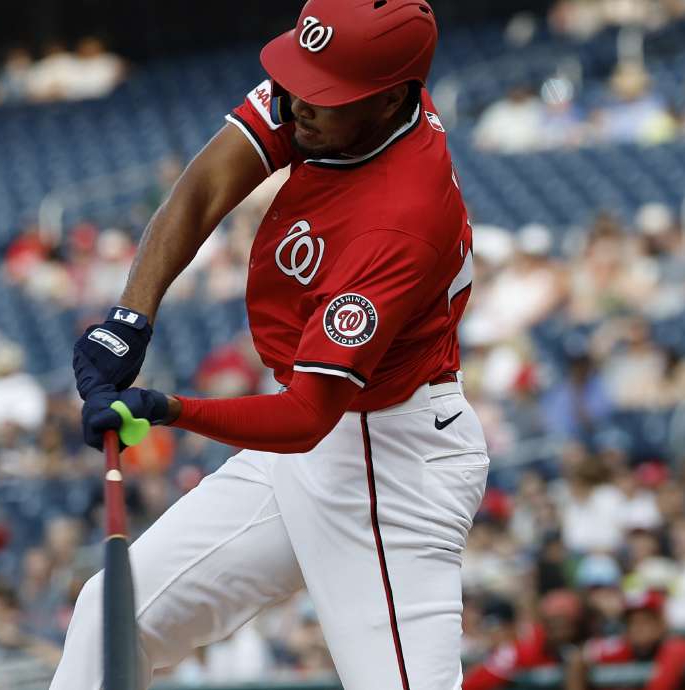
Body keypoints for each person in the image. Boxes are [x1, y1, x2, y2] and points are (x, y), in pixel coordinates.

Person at [55, 2, 486, 687]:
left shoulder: (399, 218)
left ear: (394, 98)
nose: (296, 104)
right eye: (296, 80)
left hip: (389, 466)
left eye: (322, 95)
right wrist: (131, 316)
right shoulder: (348, 95)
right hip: (320, 448)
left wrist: (166, 408)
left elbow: (306, 418)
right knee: (112, 616)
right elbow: (204, 186)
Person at [463, 590, 591, 690]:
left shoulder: (590, 649)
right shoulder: (521, 650)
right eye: (553, 624)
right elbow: (470, 684)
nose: (559, 631)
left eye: (567, 624)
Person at [582, 591, 685, 690]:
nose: (637, 628)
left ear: (661, 623)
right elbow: (584, 655)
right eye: (631, 622)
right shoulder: (624, 648)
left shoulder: (677, 648)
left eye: (646, 620)